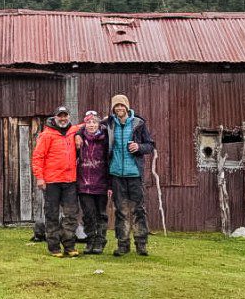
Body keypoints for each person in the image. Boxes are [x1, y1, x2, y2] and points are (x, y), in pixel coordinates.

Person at [105, 94, 155, 257]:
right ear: (113, 108)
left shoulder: (138, 124)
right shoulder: (109, 124)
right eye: (116, 106)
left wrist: (138, 147)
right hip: (116, 174)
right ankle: (123, 245)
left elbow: (150, 146)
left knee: (138, 209)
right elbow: (88, 127)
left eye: (122, 106)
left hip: (134, 174)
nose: (119, 109)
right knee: (121, 210)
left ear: (127, 107)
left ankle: (141, 244)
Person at [31, 105, 80, 257]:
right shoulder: (46, 135)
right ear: (55, 118)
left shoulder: (73, 130)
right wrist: (39, 177)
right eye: (60, 116)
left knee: (70, 214)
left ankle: (69, 246)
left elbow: (90, 124)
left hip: (70, 180)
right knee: (52, 214)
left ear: (69, 117)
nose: (63, 118)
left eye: (65, 116)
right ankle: (54, 247)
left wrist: (79, 135)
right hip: (52, 181)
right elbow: (38, 157)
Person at [75, 109, 109, 255]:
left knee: (101, 214)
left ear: (98, 124)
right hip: (84, 184)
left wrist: (110, 184)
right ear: (84, 124)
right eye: (88, 122)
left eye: (94, 122)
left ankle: (100, 242)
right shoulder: (78, 139)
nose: (91, 125)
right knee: (88, 214)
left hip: (101, 183)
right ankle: (90, 240)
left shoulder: (106, 138)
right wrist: (77, 134)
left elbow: (110, 160)